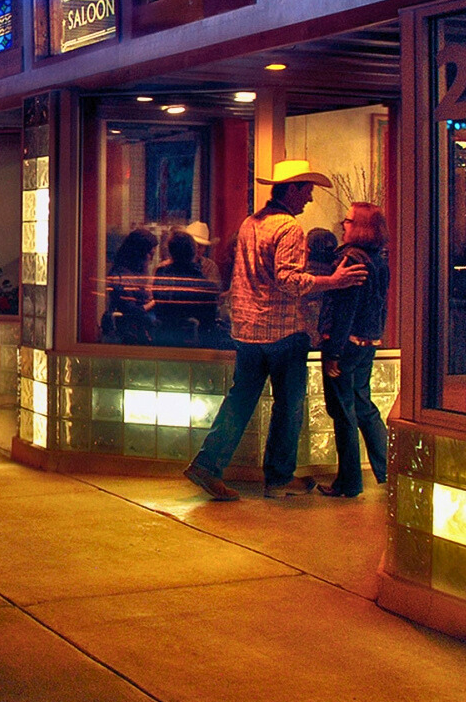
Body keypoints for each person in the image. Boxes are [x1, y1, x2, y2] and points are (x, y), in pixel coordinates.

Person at [183, 160, 368, 501]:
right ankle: (279, 478)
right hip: (282, 331)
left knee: (240, 401)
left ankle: (208, 464)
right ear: (292, 189)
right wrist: (334, 281)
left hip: (247, 329)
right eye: (307, 191)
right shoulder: (289, 228)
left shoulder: (250, 223)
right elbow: (289, 280)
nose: (309, 199)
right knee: (289, 406)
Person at [317, 202, 392, 498]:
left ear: (359, 227)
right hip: (367, 342)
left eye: (348, 221)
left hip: (345, 345)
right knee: (363, 407)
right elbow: (379, 305)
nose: (343, 225)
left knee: (343, 412)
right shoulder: (378, 260)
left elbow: (343, 310)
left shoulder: (349, 261)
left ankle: (348, 482)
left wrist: (333, 352)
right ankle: (389, 471)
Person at [152, 230, 222, 346]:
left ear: (170, 251)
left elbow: (159, 306)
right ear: (193, 251)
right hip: (195, 345)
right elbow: (208, 323)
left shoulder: (161, 274)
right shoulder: (204, 285)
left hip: (163, 340)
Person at [101, 227, 157, 345]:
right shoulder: (121, 277)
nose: (151, 259)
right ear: (140, 254)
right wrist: (154, 302)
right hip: (129, 336)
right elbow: (130, 311)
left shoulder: (138, 271)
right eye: (150, 254)